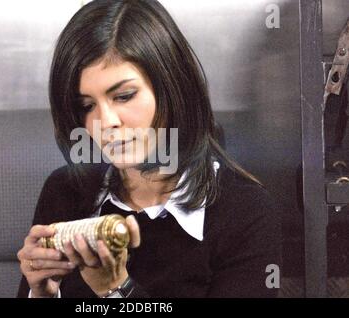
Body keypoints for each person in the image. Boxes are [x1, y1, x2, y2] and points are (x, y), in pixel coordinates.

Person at [17, 0, 282, 298]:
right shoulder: (66, 190)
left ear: (171, 87)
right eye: (87, 106)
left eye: (124, 96)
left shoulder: (244, 212)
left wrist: (116, 289)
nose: (106, 122)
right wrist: (41, 294)